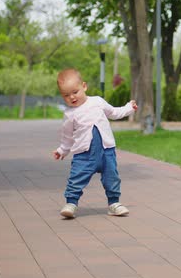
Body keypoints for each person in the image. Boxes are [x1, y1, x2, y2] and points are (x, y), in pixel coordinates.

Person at [53, 68, 137, 219]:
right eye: (66, 95)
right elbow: (67, 137)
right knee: (76, 177)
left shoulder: (97, 101)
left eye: (75, 92)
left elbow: (114, 113)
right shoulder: (69, 114)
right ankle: (71, 203)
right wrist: (62, 150)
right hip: (84, 155)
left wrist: (129, 108)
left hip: (106, 152)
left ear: (84, 86)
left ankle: (114, 203)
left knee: (112, 177)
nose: (72, 97)